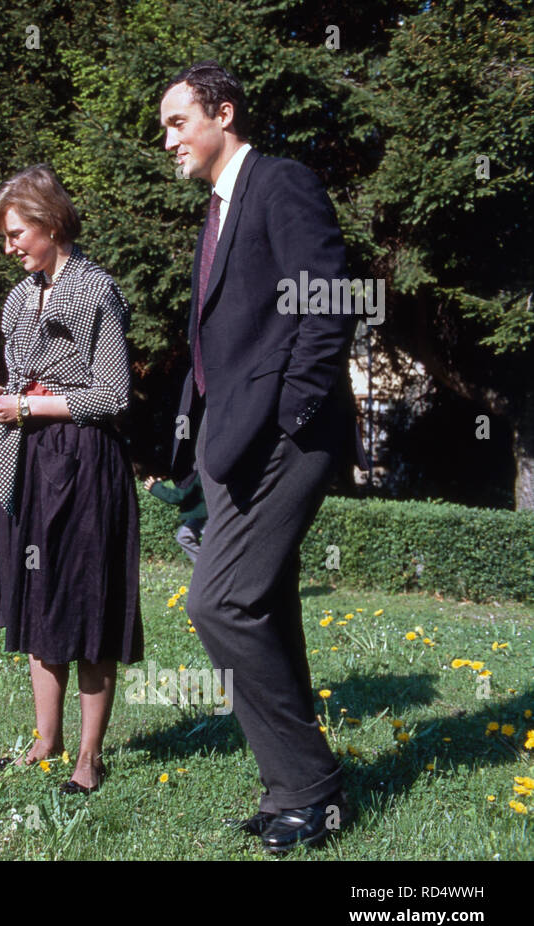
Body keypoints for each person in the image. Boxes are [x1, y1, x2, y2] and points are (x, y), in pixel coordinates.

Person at [159, 61, 368, 852]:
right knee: (266, 608)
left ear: (224, 114)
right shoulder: (215, 213)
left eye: (179, 122)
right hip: (231, 445)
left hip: (285, 439)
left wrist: (292, 416)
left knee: (219, 604)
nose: (169, 140)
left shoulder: (280, 182)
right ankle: (293, 790)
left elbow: (329, 299)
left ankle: (313, 786)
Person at [0, 164, 143, 795]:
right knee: (38, 601)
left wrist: (27, 406)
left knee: (87, 605)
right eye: (6, 236)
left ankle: (89, 758)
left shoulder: (96, 290)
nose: (10, 246)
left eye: (17, 233)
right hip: (23, 462)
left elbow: (112, 394)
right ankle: (46, 741)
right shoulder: (21, 297)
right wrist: (1, 393)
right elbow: (27, 376)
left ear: (48, 224)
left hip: (82, 465)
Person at [143, 471, 206, 563]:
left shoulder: (195, 470)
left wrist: (155, 487)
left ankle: (211, 568)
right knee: (183, 537)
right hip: (201, 514)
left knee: (214, 543)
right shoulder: (194, 467)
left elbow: (177, 496)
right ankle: (205, 565)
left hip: (208, 514)